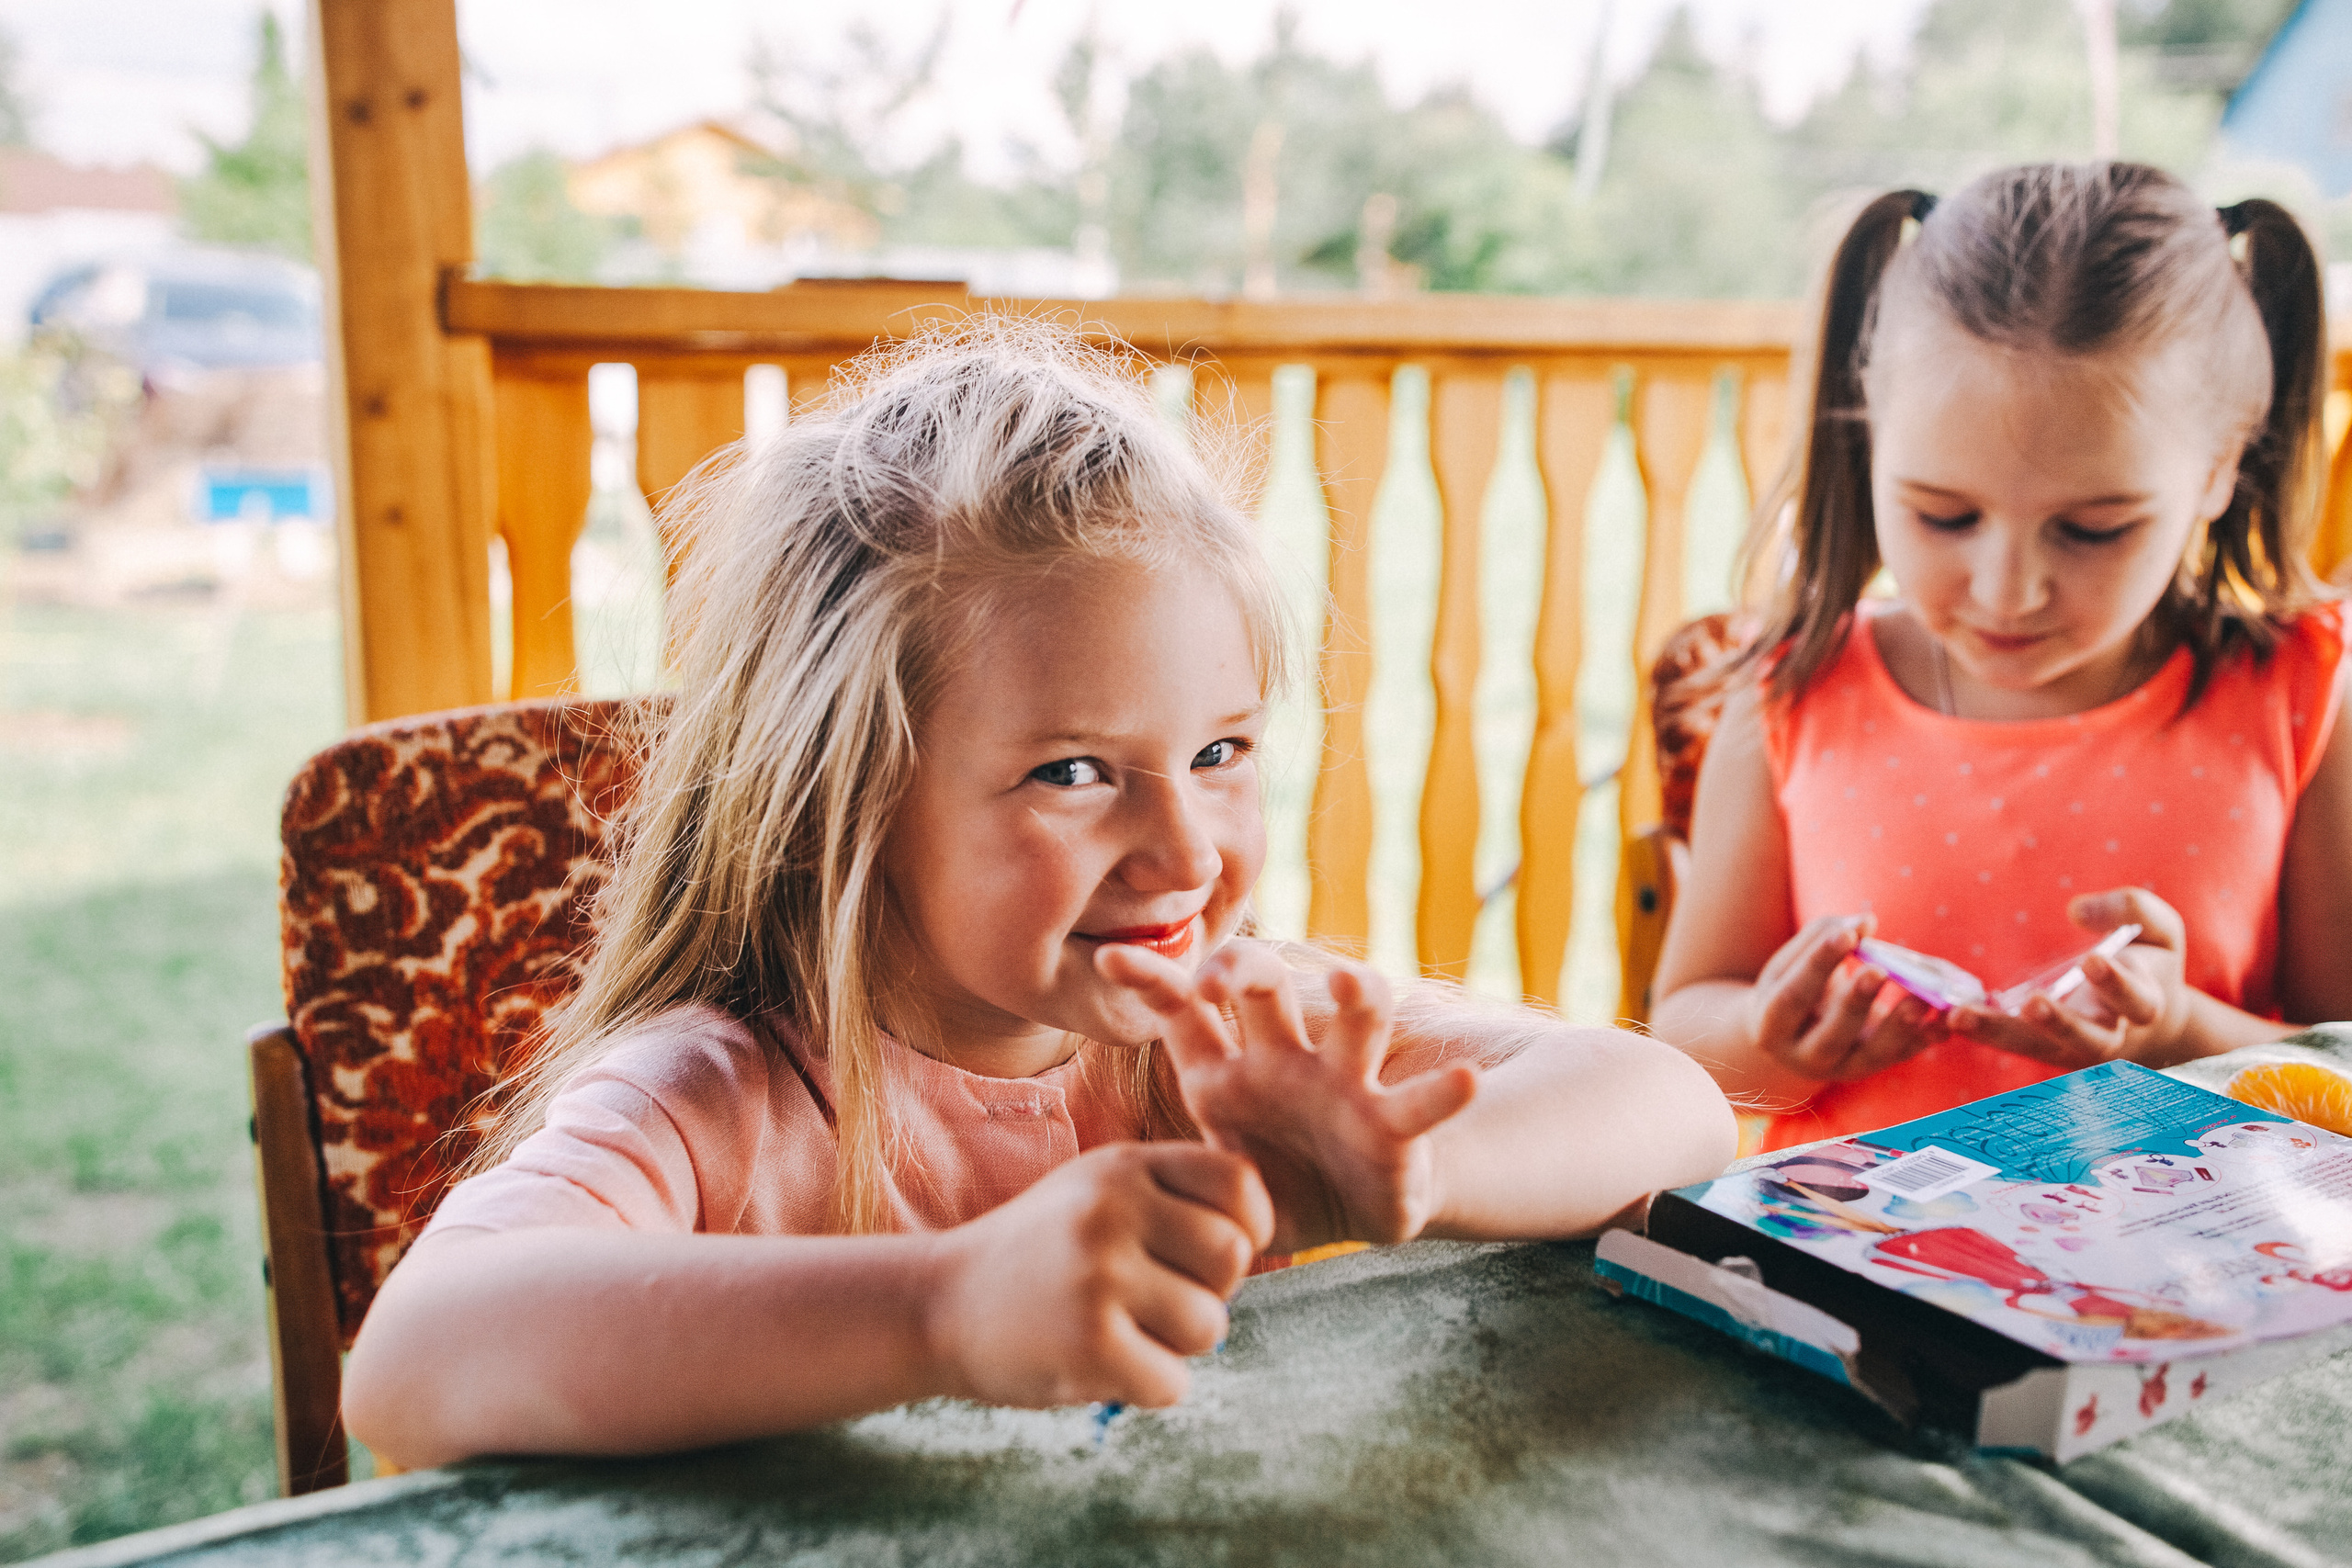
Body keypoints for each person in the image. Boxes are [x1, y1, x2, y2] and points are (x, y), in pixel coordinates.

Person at [342, 322, 1736, 1469]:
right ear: (842, 800)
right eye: (1073, 773)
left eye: (1221, 752)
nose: (1185, 853)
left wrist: (1411, 1170)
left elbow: (1673, 1108)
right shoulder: (722, 1104)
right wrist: (948, 1309)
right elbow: (414, 1361)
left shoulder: (1231, 1033)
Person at [1651, 163, 2352, 1154]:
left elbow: (2338, 1062)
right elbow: (1683, 1027)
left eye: (2093, 529)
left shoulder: (2299, 693)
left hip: (2195, 1245)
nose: (2008, 590)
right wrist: (1777, 1040)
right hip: (1858, 1242)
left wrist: (2179, 1034)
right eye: (1944, 515)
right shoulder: (1793, 690)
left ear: (2218, 470)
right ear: (1871, 440)